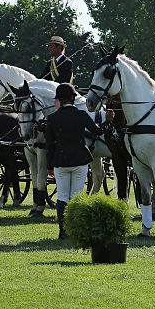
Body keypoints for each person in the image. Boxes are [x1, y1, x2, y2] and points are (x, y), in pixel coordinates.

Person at [45, 82, 108, 239]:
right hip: (80, 160)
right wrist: (109, 120)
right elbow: (98, 131)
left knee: (62, 197)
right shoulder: (81, 115)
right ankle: (76, 229)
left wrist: (49, 166)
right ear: (73, 98)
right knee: (76, 197)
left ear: (60, 100)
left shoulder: (52, 118)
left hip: (60, 161)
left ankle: (62, 231)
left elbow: (49, 146)